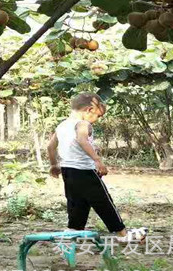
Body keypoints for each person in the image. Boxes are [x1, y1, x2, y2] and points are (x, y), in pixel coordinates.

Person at [47, 92, 146, 243]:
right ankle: (123, 234)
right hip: (84, 171)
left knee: (76, 202)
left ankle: (73, 231)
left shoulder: (62, 125)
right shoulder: (83, 124)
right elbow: (82, 139)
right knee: (103, 202)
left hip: (68, 171)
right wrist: (98, 160)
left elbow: (50, 146)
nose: (97, 120)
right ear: (89, 110)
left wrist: (54, 165)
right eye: (98, 116)